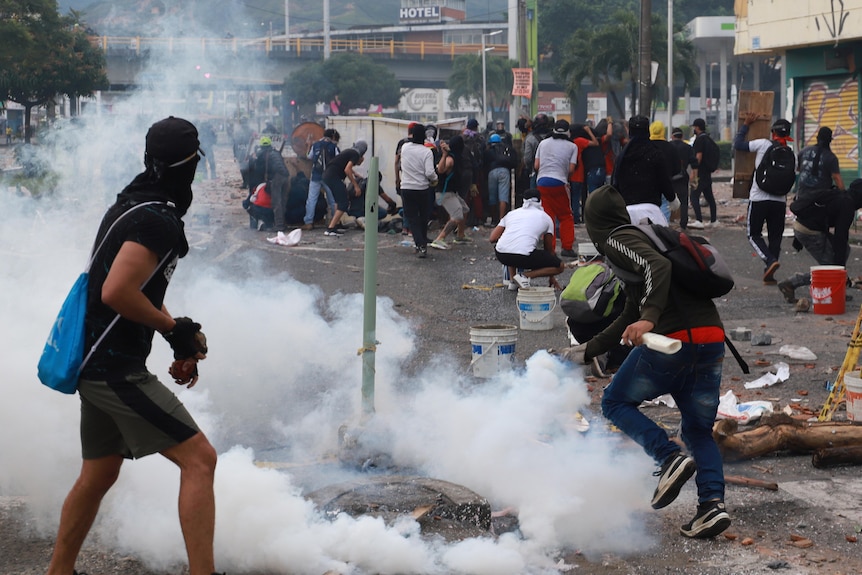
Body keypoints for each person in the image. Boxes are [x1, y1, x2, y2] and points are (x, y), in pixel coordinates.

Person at [46, 117, 222, 575]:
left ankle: (59, 571)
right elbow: (118, 292)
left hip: (95, 359)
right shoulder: (156, 219)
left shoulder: (133, 203)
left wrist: (175, 332)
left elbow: (132, 290)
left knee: (100, 472)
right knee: (200, 460)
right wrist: (172, 329)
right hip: (113, 368)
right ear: (190, 164)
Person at [567, 184, 730, 539]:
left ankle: (668, 456)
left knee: (614, 402)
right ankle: (711, 507)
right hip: (710, 339)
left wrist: (651, 318)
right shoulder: (655, 237)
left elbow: (655, 269)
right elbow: (630, 310)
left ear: (594, 222)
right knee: (699, 430)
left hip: (670, 341)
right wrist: (588, 349)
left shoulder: (618, 239)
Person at [778, 180, 862, 305]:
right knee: (829, 269)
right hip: (810, 231)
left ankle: (836, 288)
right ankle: (791, 283)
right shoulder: (847, 205)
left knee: (845, 250)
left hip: (807, 227)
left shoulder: (839, 195)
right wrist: (839, 270)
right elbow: (841, 236)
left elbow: (817, 214)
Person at [733, 114, 795, 284]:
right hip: (780, 201)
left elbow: (738, 144)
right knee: (775, 237)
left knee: (753, 234)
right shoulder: (790, 152)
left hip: (759, 197)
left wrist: (745, 125)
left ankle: (769, 261)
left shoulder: (763, 144)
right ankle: (769, 273)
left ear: (773, 132)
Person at [489, 188, 565, 290]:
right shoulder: (546, 217)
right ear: (540, 201)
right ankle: (524, 275)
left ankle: (513, 281)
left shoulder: (512, 214)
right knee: (560, 266)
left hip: (501, 254)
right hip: (523, 256)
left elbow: (492, 238)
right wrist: (551, 276)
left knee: (514, 243)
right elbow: (548, 249)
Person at [613, 116, 678, 226]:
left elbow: (615, 183)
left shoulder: (622, 156)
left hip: (627, 214)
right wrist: (672, 199)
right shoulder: (655, 153)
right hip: (652, 212)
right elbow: (664, 181)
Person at [534, 119, 579, 258]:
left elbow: (536, 166)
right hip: (560, 182)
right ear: (568, 132)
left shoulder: (543, 143)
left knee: (548, 217)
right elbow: (571, 169)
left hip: (541, 182)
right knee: (565, 216)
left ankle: (549, 249)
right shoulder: (572, 146)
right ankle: (567, 247)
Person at [398, 124, 438, 257]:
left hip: (407, 188)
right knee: (423, 217)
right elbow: (430, 173)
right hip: (422, 189)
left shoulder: (405, 148)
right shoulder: (426, 152)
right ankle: (422, 243)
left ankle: (419, 245)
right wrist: (435, 178)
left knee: (413, 218)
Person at [431, 134, 472, 249]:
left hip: (452, 192)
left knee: (464, 210)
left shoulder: (455, 156)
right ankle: (440, 238)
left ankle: (460, 235)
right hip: (445, 193)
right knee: (457, 216)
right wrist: (444, 155)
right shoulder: (450, 158)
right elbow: (441, 170)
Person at [322, 140, 367, 236]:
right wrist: (356, 186)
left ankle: (336, 225)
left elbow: (344, 165)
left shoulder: (349, 151)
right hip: (334, 177)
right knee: (344, 203)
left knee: (339, 201)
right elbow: (347, 170)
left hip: (328, 175)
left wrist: (355, 174)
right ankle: (330, 229)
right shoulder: (355, 154)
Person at [302, 128, 340, 230]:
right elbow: (339, 160)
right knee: (332, 200)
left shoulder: (316, 145)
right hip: (329, 177)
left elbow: (309, 157)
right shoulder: (333, 147)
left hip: (315, 176)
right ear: (333, 137)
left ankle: (309, 223)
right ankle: (334, 222)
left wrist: (309, 146)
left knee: (311, 200)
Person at [251, 136, 291, 233]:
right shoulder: (275, 152)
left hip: (276, 178)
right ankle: (283, 223)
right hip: (286, 176)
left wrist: (254, 159)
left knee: (276, 202)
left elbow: (258, 169)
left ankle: (279, 226)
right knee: (283, 202)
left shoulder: (262, 154)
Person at [796, 126, 844, 202]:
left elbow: (798, 169)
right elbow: (837, 178)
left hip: (802, 198)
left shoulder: (803, 151)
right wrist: (844, 195)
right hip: (821, 200)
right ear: (830, 141)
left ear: (817, 138)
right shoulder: (831, 157)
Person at [648, 120, 682, 223]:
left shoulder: (646, 147)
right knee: (664, 207)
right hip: (666, 183)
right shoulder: (670, 147)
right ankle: (662, 230)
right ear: (663, 131)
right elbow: (677, 168)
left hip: (648, 185)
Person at [689, 118, 717, 229]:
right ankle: (714, 220)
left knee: (694, 195)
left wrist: (694, 172)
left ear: (697, 127)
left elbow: (698, 157)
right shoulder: (708, 139)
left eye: (694, 127)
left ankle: (699, 220)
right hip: (707, 172)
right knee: (709, 197)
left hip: (700, 172)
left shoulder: (699, 140)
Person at [484, 133, 517, 225]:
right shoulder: (505, 149)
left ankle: (494, 220)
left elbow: (484, 163)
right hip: (504, 172)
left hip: (492, 172)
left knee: (492, 197)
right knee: (503, 196)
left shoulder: (489, 150)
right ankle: (502, 220)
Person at [669, 127, 697, 230]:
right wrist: (694, 177)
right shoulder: (687, 147)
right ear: (682, 136)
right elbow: (694, 163)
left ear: (672, 136)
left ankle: (669, 220)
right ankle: (683, 223)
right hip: (682, 177)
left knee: (668, 200)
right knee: (683, 201)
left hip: (669, 178)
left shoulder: (668, 146)